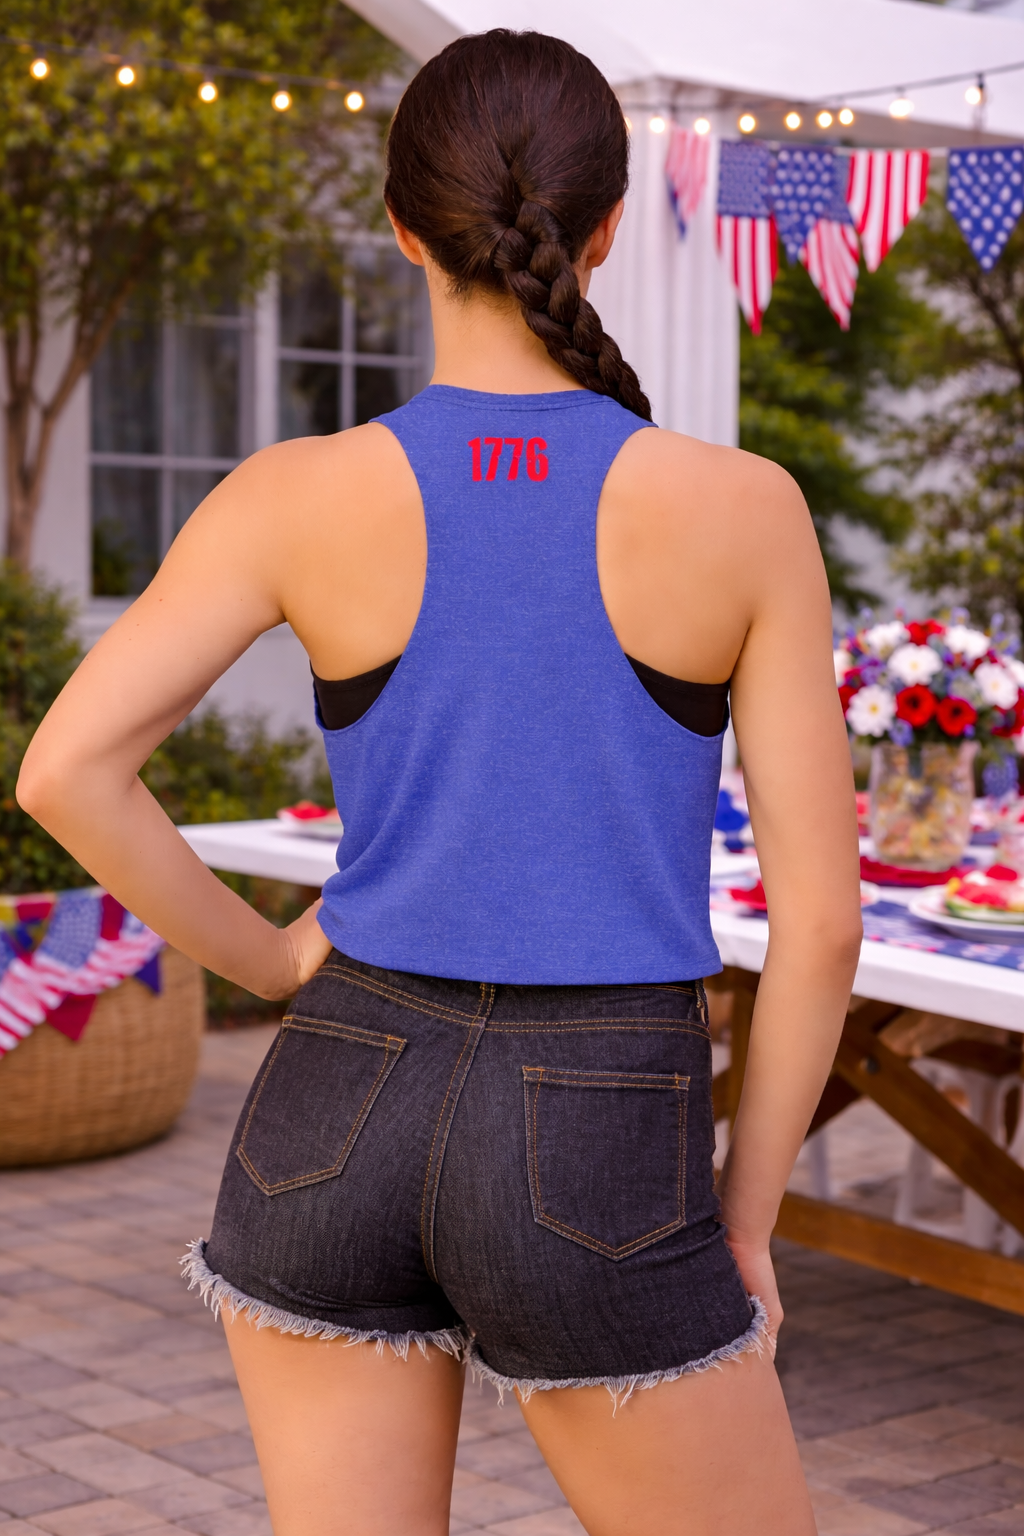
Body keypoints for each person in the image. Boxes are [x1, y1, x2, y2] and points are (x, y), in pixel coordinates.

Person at [19, 29, 862, 1536]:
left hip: (336, 1093)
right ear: (606, 230)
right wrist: (744, 1223)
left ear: (403, 228)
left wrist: (276, 957)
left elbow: (70, 772)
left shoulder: (292, 494)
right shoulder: (742, 511)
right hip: (603, 1124)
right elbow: (824, 927)